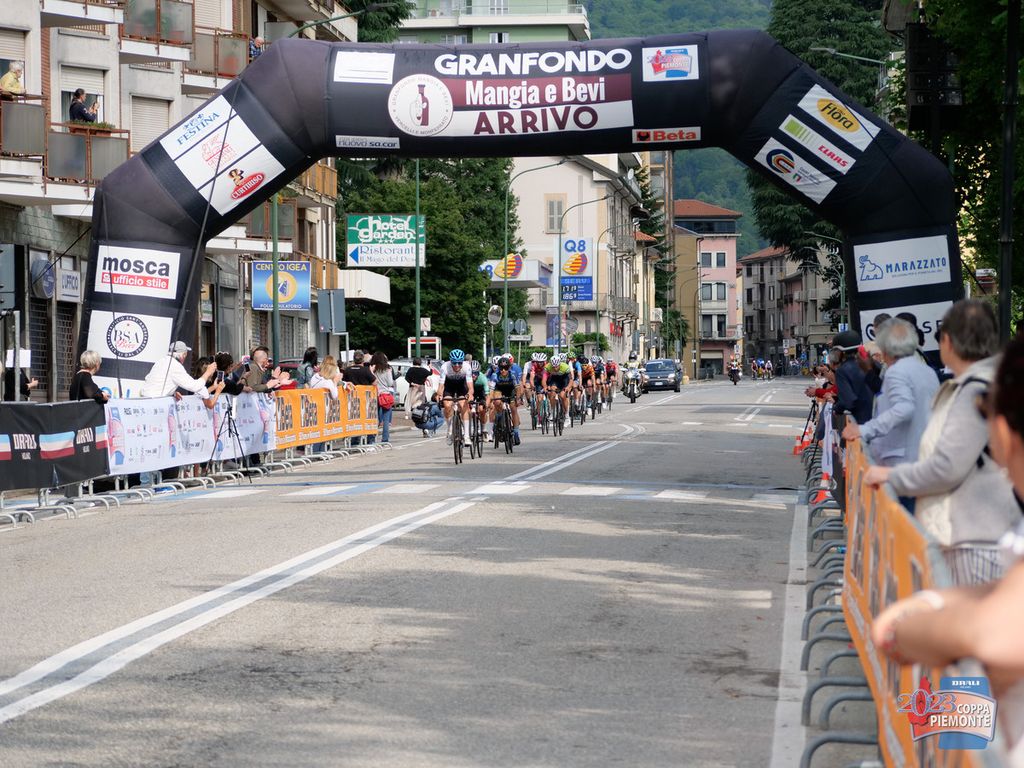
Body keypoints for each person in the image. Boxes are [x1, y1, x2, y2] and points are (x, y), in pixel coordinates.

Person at [870, 333, 1024, 763]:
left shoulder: (967, 390)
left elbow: (995, 633)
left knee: (966, 680)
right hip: (973, 543)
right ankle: (957, 749)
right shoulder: (943, 381)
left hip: (970, 535)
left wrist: (905, 631)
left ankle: (959, 749)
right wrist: (935, 601)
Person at [863, 300, 1017, 584]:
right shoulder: (981, 383)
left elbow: (947, 467)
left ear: (947, 341)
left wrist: (890, 475)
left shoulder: (973, 391)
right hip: (979, 531)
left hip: (973, 537)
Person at [842, 319, 939, 475]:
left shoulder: (896, 372)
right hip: (922, 457)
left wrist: (865, 429)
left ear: (885, 348)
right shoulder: (927, 371)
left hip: (899, 462)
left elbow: (904, 408)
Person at [140, 341, 216, 398]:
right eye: (186, 354)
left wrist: (172, 392)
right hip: (156, 403)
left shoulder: (161, 361)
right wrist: (208, 372)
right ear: (183, 355)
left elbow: (153, 381)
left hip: (145, 399)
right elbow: (195, 387)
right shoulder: (175, 366)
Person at [830, 330, 874, 426]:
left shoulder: (842, 371)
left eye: (836, 351)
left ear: (842, 352)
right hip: (880, 419)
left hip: (861, 421)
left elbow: (848, 400)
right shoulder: (870, 364)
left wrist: (837, 409)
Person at [438, 348, 474, 446]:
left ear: (462, 362)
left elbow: (470, 386)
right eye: (454, 363)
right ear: (450, 362)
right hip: (449, 386)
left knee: (463, 405)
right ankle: (449, 430)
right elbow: (441, 386)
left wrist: (470, 394)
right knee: (447, 405)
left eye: (459, 363)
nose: (457, 365)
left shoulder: (467, 367)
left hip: (461, 386)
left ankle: (466, 436)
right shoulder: (444, 367)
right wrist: (439, 395)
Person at [488, 356, 521, 444]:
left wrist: (518, 398)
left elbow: (518, 388)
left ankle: (516, 432)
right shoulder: (495, 375)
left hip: (510, 391)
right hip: (499, 390)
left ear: (509, 368)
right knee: (497, 401)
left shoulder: (512, 374)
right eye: (501, 368)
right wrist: (490, 401)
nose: (503, 370)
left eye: (506, 368)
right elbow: (491, 391)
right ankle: (499, 416)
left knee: (513, 409)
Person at [370, 351, 395, 444]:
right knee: (386, 419)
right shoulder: (387, 369)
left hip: (374, 395)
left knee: (373, 418)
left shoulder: (372, 369)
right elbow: (390, 383)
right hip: (385, 395)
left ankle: (372, 438)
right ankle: (385, 439)